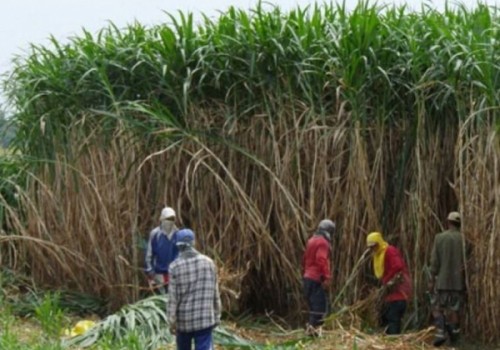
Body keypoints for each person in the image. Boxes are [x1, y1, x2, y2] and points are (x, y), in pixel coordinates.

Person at [167, 228, 221, 350]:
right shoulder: (209, 263)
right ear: (193, 243)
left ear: (178, 245)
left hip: (183, 323)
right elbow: (215, 294)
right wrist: (217, 315)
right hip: (205, 320)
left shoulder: (174, 267)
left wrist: (171, 322)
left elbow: (172, 299)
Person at [429, 211, 465, 347]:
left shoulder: (439, 238)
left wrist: (432, 279)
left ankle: (440, 332)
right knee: (454, 309)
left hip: (442, 282)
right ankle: (454, 336)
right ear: (460, 224)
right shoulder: (464, 240)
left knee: (437, 307)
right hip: (458, 283)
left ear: (448, 222)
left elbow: (434, 262)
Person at [366, 231, 412, 335]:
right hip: (389, 294)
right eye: (371, 247)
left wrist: (387, 281)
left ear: (379, 242)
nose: (373, 249)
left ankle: (393, 341)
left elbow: (398, 266)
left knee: (393, 317)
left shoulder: (389, 251)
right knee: (385, 317)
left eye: (374, 246)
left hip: (398, 293)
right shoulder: (378, 256)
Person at [302, 219, 336, 336]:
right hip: (316, 278)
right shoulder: (323, 242)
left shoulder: (311, 240)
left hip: (307, 277)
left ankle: (313, 332)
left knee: (313, 306)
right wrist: (327, 277)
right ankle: (311, 332)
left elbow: (305, 259)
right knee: (319, 307)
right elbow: (321, 259)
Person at [144, 206, 179, 294]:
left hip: (175, 273)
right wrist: (150, 271)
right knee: (162, 298)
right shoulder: (155, 234)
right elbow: (149, 254)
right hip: (159, 273)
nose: (169, 221)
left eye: (172, 219)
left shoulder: (178, 234)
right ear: (162, 219)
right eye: (167, 219)